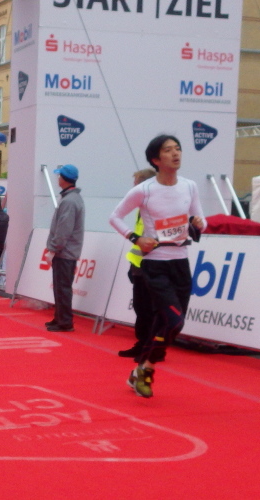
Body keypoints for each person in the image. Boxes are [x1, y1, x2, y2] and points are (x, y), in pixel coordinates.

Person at [110, 135, 205, 398]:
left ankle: (140, 369)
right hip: (155, 265)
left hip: (181, 263)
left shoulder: (189, 186)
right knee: (173, 320)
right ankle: (147, 370)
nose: (176, 154)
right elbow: (115, 217)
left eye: (178, 149)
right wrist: (135, 238)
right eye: (168, 150)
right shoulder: (144, 190)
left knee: (172, 323)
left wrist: (198, 223)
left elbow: (199, 218)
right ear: (155, 159)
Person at [118, 168, 157, 359]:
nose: (132, 189)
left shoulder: (154, 208)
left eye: (136, 185)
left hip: (149, 267)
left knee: (147, 308)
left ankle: (148, 346)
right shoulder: (142, 208)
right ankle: (144, 344)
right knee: (142, 308)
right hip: (139, 265)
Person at [44, 164, 85, 333]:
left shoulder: (68, 201)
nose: (57, 179)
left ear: (64, 178)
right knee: (61, 287)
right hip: (66, 251)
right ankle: (60, 317)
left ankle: (65, 321)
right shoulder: (72, 199)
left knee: (62, 287)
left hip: (65, 252)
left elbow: (63, 230)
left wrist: (53, 248)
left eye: (59, 176)